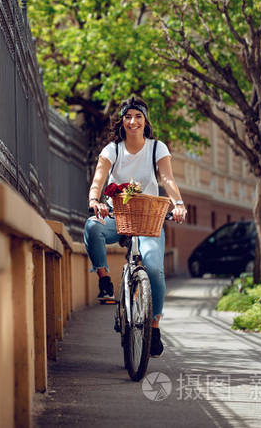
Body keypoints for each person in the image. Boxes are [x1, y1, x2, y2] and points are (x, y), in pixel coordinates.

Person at [84, 96, 187, 357]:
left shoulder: (156, 148)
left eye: (138, 116)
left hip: (148, 218)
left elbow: (166, 178)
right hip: (117, 214)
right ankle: (105, 280)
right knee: (92, 228)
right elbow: (99, 177)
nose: (133, 121)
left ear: (145, 121)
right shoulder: (113, 149)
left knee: (153, 268)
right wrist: (95, 200)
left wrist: (178, 203)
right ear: (122, 121)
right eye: (128, 116)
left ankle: (154, 326)